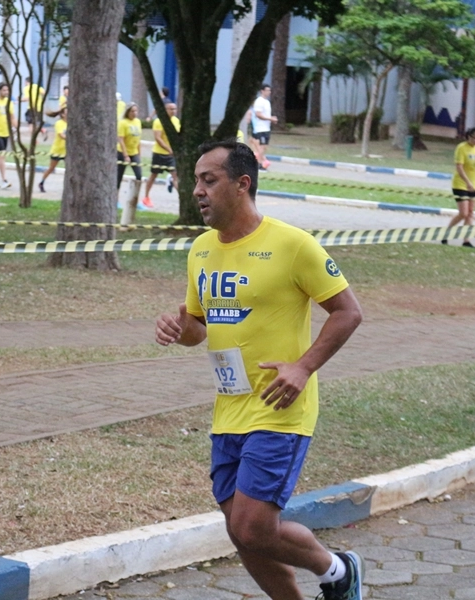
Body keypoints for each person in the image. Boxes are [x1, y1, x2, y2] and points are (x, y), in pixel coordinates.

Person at [154, 139, 365, 600]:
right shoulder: (201, 250)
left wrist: (303, 367)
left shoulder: (293, 245)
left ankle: (338, 570)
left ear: (242, 184)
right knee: (240, 531)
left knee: (253, 526)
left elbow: (348, 312)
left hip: (279, 406)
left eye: (209, 180)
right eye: (195, 181)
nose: (197, 191)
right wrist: (179, 326)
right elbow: (199, 328)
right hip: (229, 407)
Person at [442, 127, 475, 248]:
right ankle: (446, 233)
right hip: (460, 184)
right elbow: (459, 167)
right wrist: (467, 183)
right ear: (469, 137)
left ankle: (466, 240)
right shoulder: (461, 148)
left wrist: (473, 184)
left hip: (474, 185)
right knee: (463, 213)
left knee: (470, 213)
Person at [143, 102, 180, 208]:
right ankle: (146, 197)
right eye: (171, 109)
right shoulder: (159, 122)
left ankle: (181, 199)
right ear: (165, 110)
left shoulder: (176, 121)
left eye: (175, 109)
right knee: (153, 175)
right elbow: (158, 138)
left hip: (171, 155)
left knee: (175, 175)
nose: (173, 111)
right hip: (159, 153)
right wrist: (169, 149)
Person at [38, 107, 67, 193]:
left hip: (66, 151)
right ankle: (42, 182)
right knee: (51, 168)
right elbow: (61, 135)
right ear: (62, 114)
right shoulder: (59, 123)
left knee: (69, 169)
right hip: (58, 150)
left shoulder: (71, 123)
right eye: (66, 113)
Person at [117, 103, 143, 190]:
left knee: (139, 175)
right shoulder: (123, 123)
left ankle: (134, 197)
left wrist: (139, 153)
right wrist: (125, 155)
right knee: (119, 177)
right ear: (128, 112)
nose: (134, 113)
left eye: (136, 111)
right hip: (122, 153)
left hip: (134, 152)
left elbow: (138, 139)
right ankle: (116, 198)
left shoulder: (138, 122)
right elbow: (121, 140)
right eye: (132, 111)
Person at [251, 84, 277, 170]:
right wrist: (270, 118)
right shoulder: (259, 101)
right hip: (260, 128)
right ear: (262, 91)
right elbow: (258, 115)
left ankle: (259, 162)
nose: (269, 92)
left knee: (264, 147)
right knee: (261, 146)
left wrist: (271, 119)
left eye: (269, 90)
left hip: (266, 128)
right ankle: (259, 164)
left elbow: (266, 115)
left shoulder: (267, 102)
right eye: (267, 90)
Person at [22, 76, 47, 142]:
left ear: (27, 82)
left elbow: (27, 98)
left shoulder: (26, 88)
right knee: (34, 123)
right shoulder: (37, 86)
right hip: (38, 108)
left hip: (31, 108)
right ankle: (42, 130)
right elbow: (44, 93)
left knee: (30, 124)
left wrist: (20, 99)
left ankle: (34, 140)